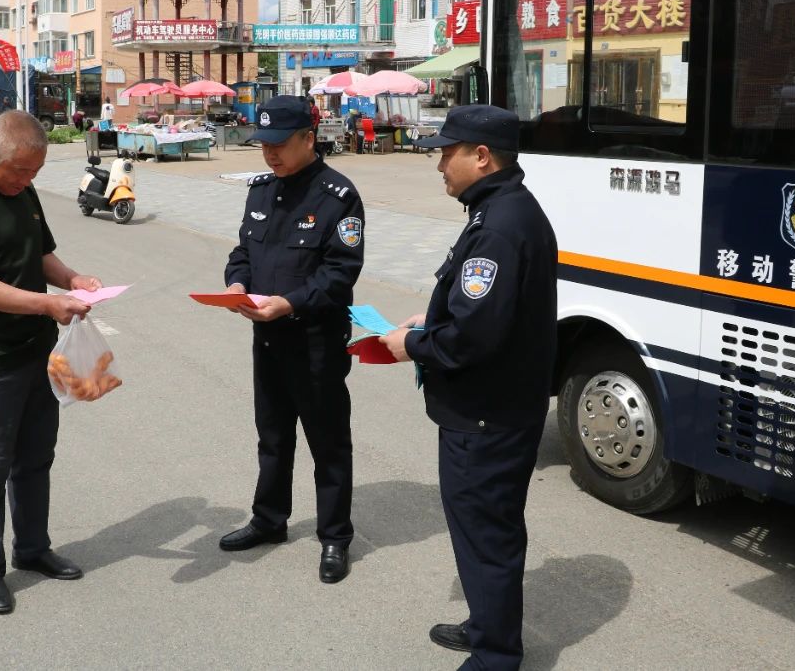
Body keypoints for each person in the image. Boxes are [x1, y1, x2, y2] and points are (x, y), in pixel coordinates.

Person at [379, 106, 557, 671]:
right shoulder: (497, 210)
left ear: (482, 156)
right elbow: (480, 312)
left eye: (445, 152)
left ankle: (497, 656)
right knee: (479, 529)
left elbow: (473, 338)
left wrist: (413, 345)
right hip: (489, 407)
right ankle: (487, 624)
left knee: (487, 533)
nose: (438, 166)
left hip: (488, 414)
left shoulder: (502, 224)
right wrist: (428, 322)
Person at [0, 111, 109, 616]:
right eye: (19, 172)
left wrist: (72, 280)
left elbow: (41, 254)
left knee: (35, 458)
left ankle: (32, 549)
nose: (26, 181)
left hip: (37, 349)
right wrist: (48, 304)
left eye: (35, 173)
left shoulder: (22, 191)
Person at [219, 95, 365, 583]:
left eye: (280, 144)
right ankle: (269, 519)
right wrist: (236, 283)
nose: (270, 155)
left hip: (314, 342)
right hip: (267, 340)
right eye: (263, 145)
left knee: (328, 443)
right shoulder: (261, 190)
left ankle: (335, 537)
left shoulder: (338, 197)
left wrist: (291, 303)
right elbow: (243, 251)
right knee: (273, 436)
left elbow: (340, 274)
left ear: (308, 137)